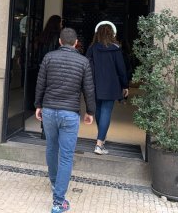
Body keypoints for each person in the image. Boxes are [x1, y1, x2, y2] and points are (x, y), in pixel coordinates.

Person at [35, 28, 95, 213]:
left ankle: (55, 183)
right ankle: (58, 201)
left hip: (49, 111)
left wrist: (38, 105)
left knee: (51, 148)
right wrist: (90, 111)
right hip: (69, 113)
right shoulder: (83, 61)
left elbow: (40, 83)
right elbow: (89, 89)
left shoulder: (49, 58)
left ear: (60, 41)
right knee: (66, 155)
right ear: (76, 43)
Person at [86, 21, 128, 155]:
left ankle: (101, 138)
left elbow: (86, 66)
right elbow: (121, 69)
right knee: (106, 112)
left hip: (95, 84)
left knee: (99, 110)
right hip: (111, 85)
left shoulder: (92, 48)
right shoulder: (116, 49)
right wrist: (125, 85)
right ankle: (99, 144)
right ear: (112, 34)